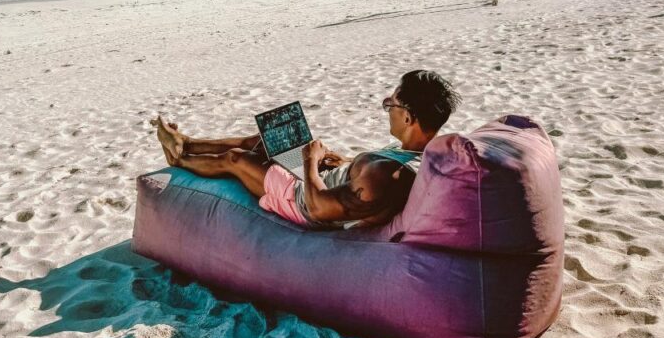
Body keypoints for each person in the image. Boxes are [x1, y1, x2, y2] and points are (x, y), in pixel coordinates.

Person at [154, 70, 461, 229]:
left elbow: (318, 210)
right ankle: (190, 142)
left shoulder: (385, 177)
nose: (387, 109)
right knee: (266, 140)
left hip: (302, 199)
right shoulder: (418, 152)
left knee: (236, 160)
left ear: (408, 117)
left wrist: (309, 160)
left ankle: (179, 158)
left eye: (389, 104)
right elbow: (364, 175)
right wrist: (340, 162)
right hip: (323, 179)